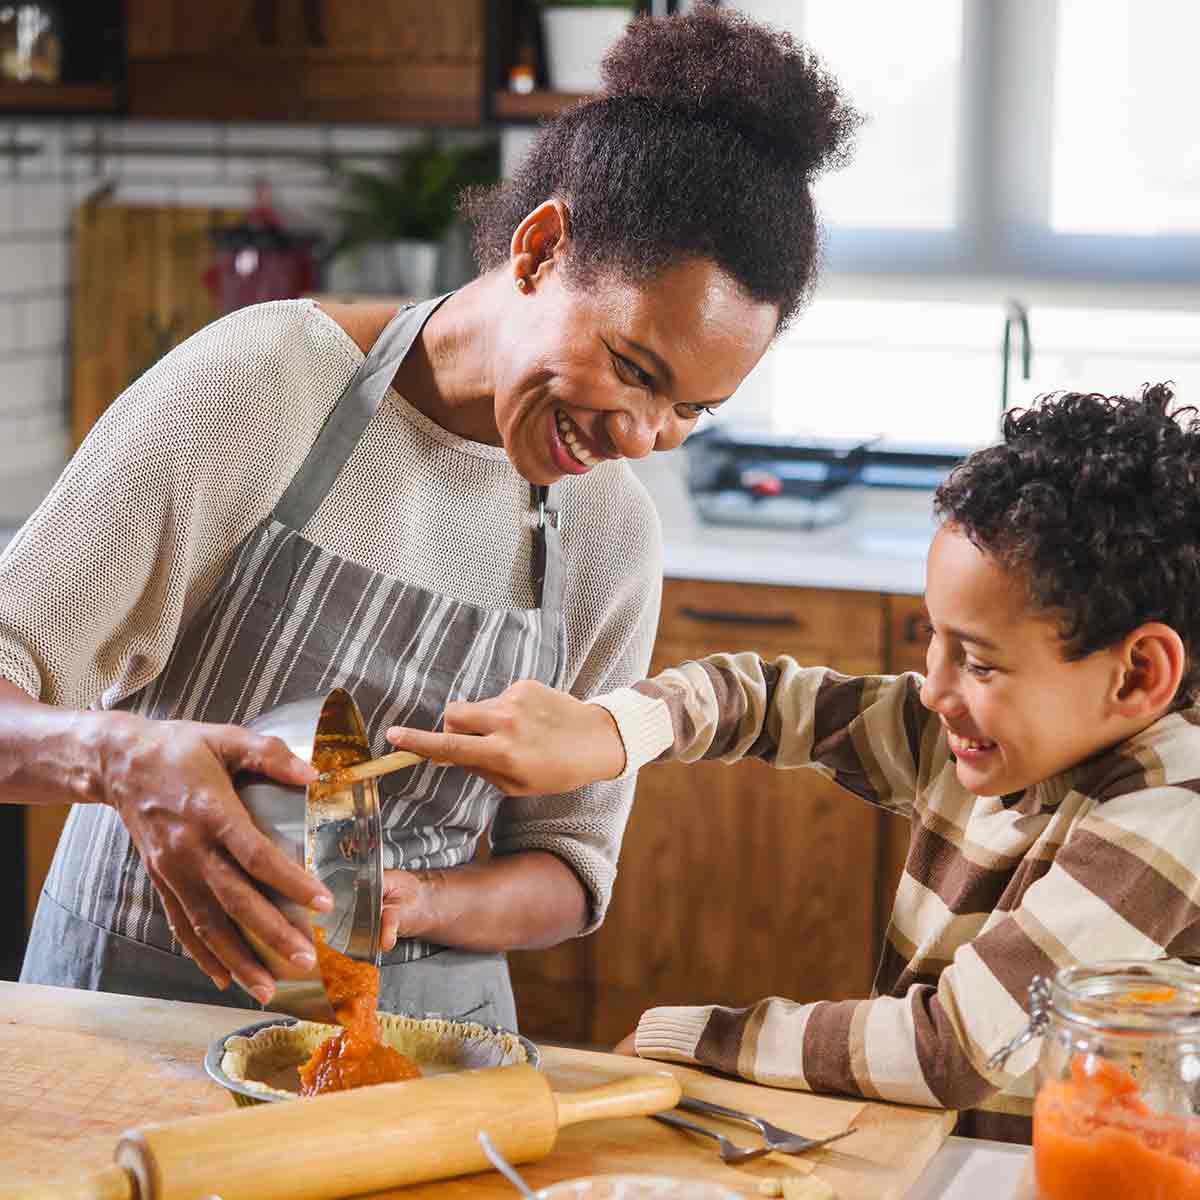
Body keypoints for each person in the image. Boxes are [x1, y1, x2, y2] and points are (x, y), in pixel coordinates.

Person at [0, 7, 858, 1027]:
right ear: (541, 248)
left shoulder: (611, 538)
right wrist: (121, 758)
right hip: (133, 1015)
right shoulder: (262, 388)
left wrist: (424, 902)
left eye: (690, 410)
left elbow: (569, 868)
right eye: (634, 369)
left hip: (426, 1048)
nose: (643, 435)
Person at [385, 383, 1200, 1112]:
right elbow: (769, 701)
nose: (934, 687)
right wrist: (612, 732)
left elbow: (946, 1048)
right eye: (934, 641)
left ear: (1139, 675)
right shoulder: (991, 734)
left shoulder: (1171, 815)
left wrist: (697, 1039)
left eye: (980, 661)